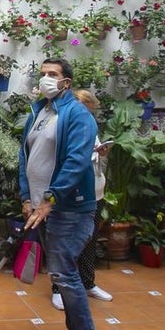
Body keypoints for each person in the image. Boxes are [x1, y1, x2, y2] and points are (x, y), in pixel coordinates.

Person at [19, 57, 104, 330]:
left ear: (66, 82)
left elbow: (76, 162)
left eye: (52, 74)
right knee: (60, 275)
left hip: (69, 210)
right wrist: (27, 197)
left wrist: (50, 200)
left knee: (66, 276)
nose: (45, 79)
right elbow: (25, 156)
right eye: (42, 74)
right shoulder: (40, 112)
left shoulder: (78, 115)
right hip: (42, 208)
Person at [45, 88, 113, 309]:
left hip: (95, 192)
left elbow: (94, 162)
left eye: (90, 111)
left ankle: (88, 282)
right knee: (64, 246)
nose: (87, 115)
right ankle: (58, 289)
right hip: (71, 196)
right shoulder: (62, 128)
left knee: (89, 241)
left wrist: (101, 153)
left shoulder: (89, 127)